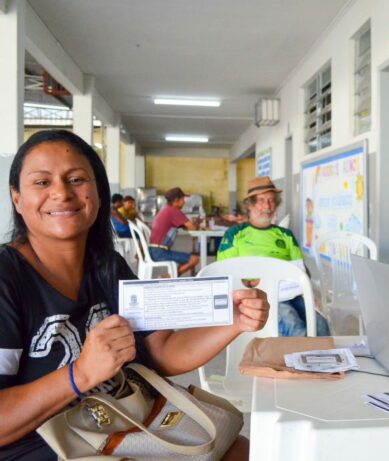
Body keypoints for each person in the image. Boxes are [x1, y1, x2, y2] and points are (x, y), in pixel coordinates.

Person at [0, 129, 269, 460]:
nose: (61, 193)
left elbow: (162, 351)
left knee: (248, 450)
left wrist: (234, 322)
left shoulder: (107, 266)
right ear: (17, 198)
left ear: (97, 193)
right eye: (42, 182)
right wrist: (80, 374)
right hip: (46, 448)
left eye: (76, 179)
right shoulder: (7, 279)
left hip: (121, 423)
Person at [217, 177, 330, 336]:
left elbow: (302, 269)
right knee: (292, 323)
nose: (268, 206)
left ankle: (324, 359)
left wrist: (309, 292)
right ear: (250, 204)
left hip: (290, 292)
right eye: (261, 201)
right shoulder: (234, 234)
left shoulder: (285, 235)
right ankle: (299, 359)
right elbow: (224, 272)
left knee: (320, 323)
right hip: (259, 295)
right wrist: (249, 282)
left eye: (271, 201)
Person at [149, 186, 200, 276]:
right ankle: (169, 277)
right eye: (183, 199)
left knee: (187, 258)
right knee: (194, 259)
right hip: (160, 252)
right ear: (176, 200)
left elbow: (184, 226)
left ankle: (171, 275)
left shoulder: (166, 209)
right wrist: (197, 223)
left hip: (154, 250)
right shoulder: (174, 211)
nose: (184, 202)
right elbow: (192, 227)